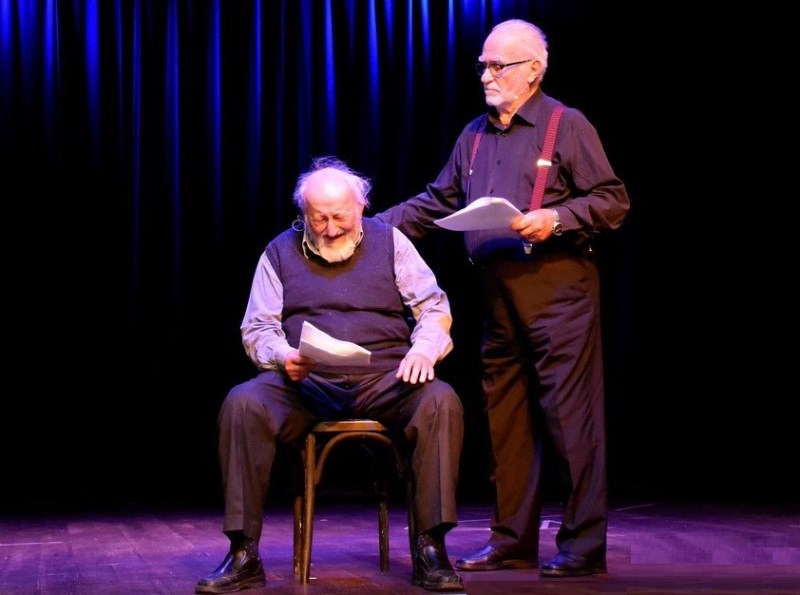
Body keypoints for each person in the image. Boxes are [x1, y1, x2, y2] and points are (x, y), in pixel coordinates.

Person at [376, 19, 629, 578]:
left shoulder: (565, 124)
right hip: (496, 295)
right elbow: (437, 202)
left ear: (534, 70)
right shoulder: (475, 134)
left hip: (557, 292)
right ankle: (512, 541)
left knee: (570, 421)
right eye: (483, 66)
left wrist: (556, 217)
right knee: (506, 421)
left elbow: (612, 201)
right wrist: (370, 229)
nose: (486, 76)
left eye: (498, 66)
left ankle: (583, 546)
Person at [195, 156, 465, 594]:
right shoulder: (279, 251)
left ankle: (431, 546)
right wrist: (283, 355)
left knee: (440, 401)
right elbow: (258, 327)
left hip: (385, 379)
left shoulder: (391, 241)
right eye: (318, 218)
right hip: (307, 382)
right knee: (243, 403)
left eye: (340, 216)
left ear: (361, 207)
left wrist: (424, 349)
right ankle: (244, 552)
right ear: (304, 214)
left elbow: (433, 307)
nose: (331, 228)